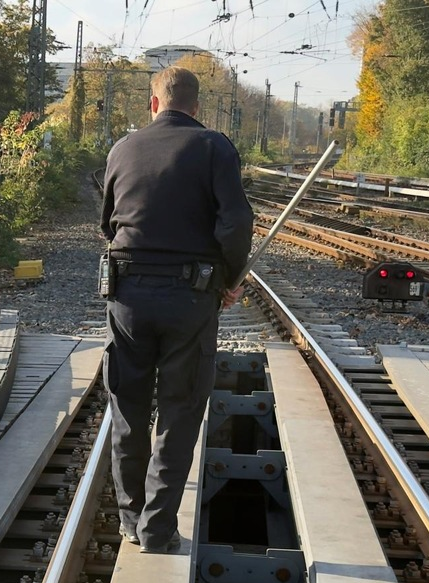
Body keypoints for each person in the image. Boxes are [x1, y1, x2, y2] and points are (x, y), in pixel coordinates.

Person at [98, 66, 253, 554]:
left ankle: (130, 520)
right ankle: (157, 529)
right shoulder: (214, 147)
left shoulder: (123, 148)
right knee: (179, 409)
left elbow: (109, 224)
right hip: (190, 297)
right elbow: (236, 223)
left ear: (154, 103)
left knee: (128, 405)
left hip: (127, 295)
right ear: (196, 106)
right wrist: (229, 279)